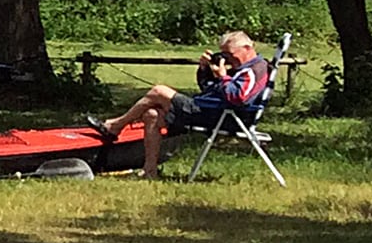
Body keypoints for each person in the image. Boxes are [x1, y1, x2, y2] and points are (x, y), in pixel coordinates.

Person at [88, 31, 271, 177]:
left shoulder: (255, 69)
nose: (227, 59)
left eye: (230, 54)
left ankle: (115, 126)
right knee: (151, 114)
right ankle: (149, 170)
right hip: (212, 111)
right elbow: (208, 89)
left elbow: (237, 97)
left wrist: (223, 76)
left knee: (159, 91)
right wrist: (205, 70)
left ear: (247, 48)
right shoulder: (241, 69)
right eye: (223, 54)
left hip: (220, 117)